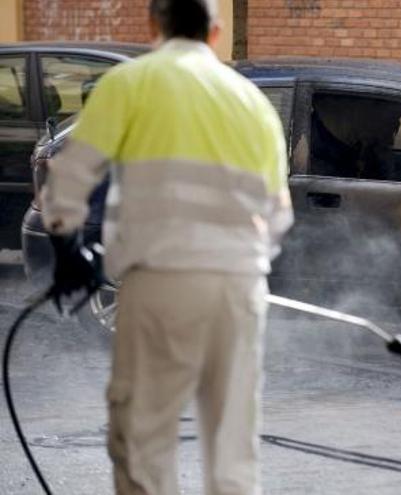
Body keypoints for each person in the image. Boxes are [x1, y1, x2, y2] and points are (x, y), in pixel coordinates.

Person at [40, 0, 293, 493]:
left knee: (144, 437)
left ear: (153, 24)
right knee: (233, 446)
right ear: (216, 32)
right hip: (241, 289)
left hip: (160, 282)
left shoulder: (132, 82)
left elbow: (68, 177)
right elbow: (279, 212)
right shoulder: (251, 101)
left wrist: (70, 248)